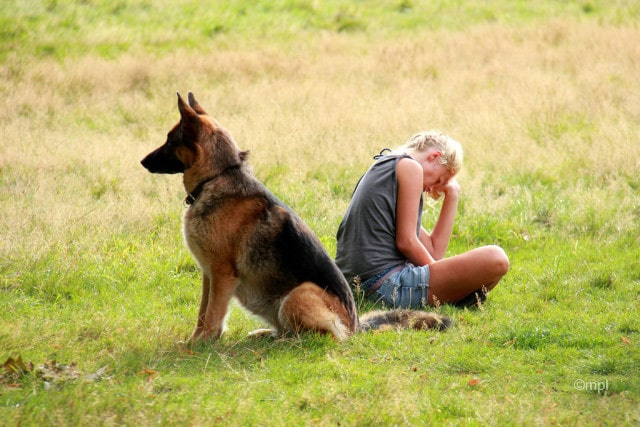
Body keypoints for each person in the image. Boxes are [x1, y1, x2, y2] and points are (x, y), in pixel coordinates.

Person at [336, 130, 509, 309]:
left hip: (355, 287)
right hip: (385, 286)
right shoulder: (409, 167)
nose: (431, 189)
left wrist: (453, 195)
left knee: (485, 273)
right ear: (435, 156)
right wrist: (441, 276)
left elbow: (433, 251)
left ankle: (452, 300)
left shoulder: (387, 166)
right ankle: (454, 298)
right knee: (496, 258)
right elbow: (407, 242)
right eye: (439, 180)